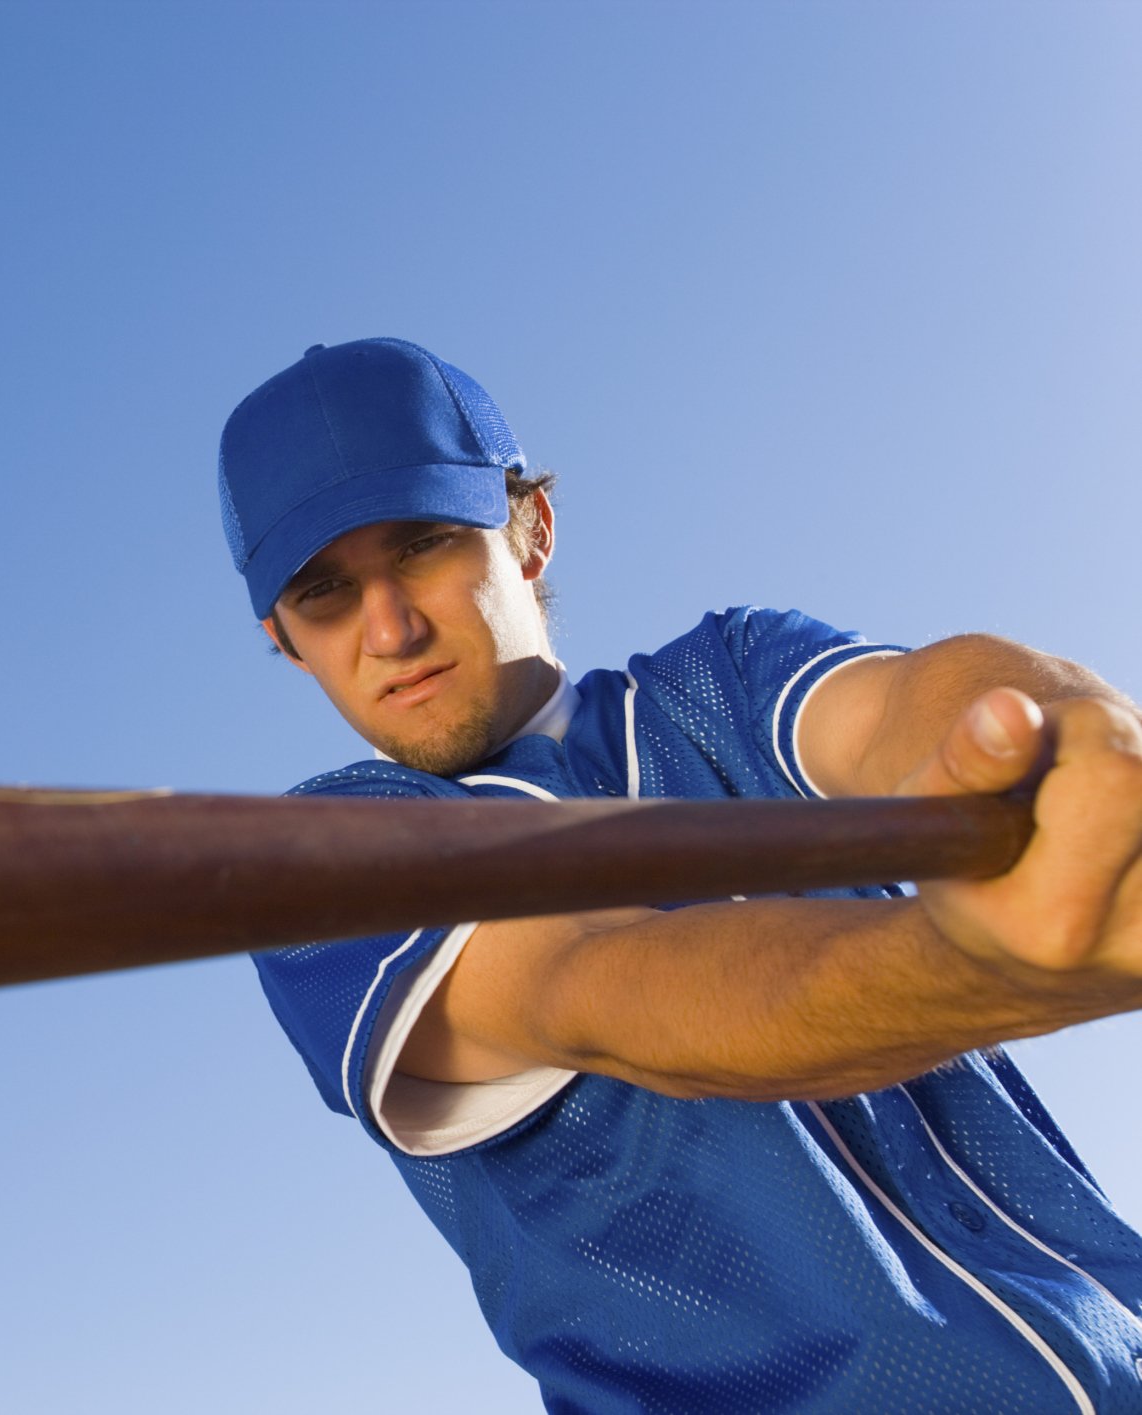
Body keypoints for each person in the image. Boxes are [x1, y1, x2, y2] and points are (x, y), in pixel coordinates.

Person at [219, 338, 1142, 1414]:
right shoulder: (324, 867)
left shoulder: (726, 678)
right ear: (285, 640)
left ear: (530, 532)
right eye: (325, 593)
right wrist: (982, 962)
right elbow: (611, 986)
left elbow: (916, 701)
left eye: (423, 543)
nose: (389, 628)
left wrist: (1064, 743)